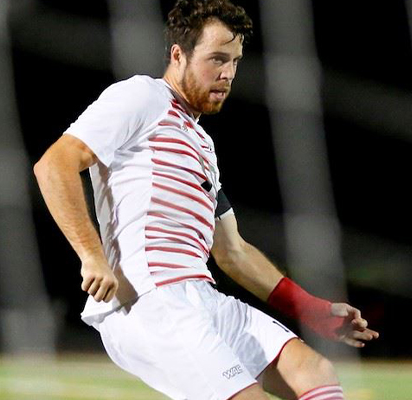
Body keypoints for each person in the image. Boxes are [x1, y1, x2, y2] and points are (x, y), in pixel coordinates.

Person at [33, 1, 377, 399]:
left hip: (201, 295)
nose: (228, 73)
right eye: (216, 58)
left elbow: (233, 251)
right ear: (179, 55)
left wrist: (313, 310)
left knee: (313, 370)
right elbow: (54, 164)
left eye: (234, 61)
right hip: (151, 300)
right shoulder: (142, 96)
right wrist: (91, 256)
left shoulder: (202, 146)